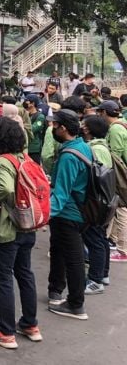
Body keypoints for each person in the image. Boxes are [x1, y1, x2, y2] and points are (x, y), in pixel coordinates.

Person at [0, 118, 41, 349]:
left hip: (7, 226)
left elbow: (4, 187)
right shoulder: (26, 158)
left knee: (3, 277)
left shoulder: (3, 161)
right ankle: (30, 324)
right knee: (24, 273)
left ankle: (5, 331)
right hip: (28, 223)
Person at [46, 108, 91, 320]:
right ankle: (57, 291)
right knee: (62, 252)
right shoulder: (82, 147)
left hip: (68, 214)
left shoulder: (68, 156)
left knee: (73, 258)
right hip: (79, 210)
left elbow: (62, 194)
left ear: (63, 128)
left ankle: (75, 304)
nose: (52, 128)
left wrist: (42, 216)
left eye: (55, 125)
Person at [79, 115, 112, 295]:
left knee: (94, 239)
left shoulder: (95, 149)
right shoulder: (102, 146)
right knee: (100, 238)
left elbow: (95, 176)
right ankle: (103, 274)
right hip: (102, 199)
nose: (82, 127)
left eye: (85, 125)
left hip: (95, 201)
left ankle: (95, 280)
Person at [98, 101, 127, 263]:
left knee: (121, 209)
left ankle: (123, 250)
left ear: (104, 113)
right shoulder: (122, 124)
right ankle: (114, 240)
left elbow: (114, 157)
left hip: (121, 174)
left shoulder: (115, 129)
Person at [24, 95, 46, 164]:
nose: (25, 102)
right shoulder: (25, 114)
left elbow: (33, 129)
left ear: (32, 103)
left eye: (26, 101)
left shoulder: (40, 116)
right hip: (24, 146)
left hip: (34, 148)